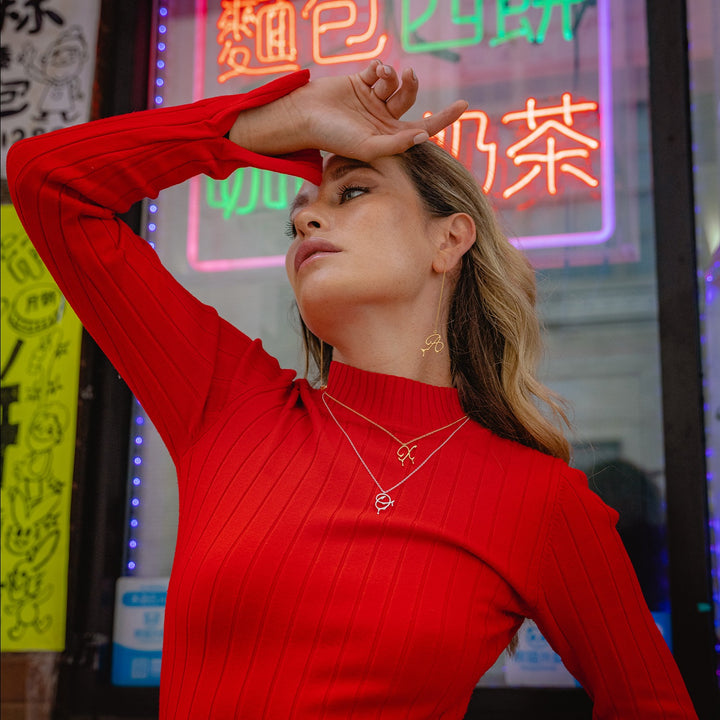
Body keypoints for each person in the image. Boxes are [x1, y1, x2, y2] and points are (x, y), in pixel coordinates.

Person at [7, 61, 697, 719]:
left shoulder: (540, 502)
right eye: (297, 217)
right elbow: (49, 180)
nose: (306, 221)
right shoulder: (231, 406)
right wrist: (271, 123)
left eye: (353, 192)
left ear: (449, 239)